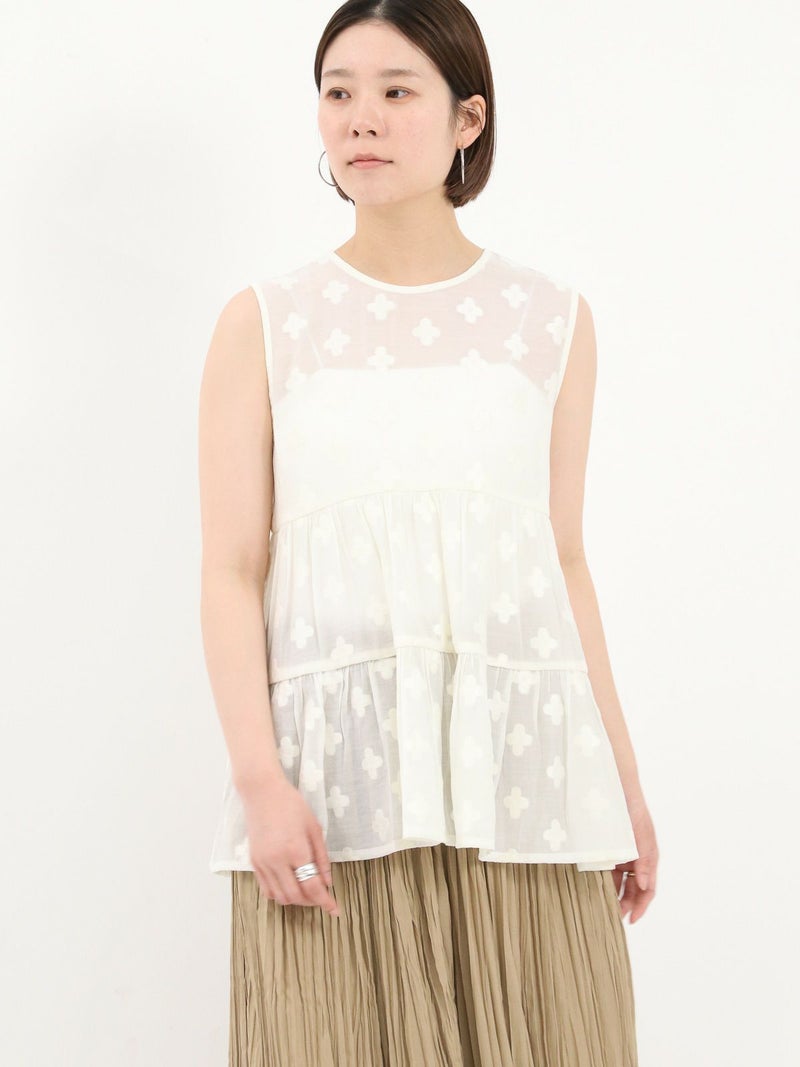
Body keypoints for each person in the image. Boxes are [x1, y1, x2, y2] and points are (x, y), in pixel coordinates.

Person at [198, 1, 659, 1063]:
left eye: (395, 91)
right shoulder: (265, 321)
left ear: (467, 119)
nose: (359, 117)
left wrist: (621, 784)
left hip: (522, 788)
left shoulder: (550, 319)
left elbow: (563, 560)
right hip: (333, 794)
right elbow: (231, 569)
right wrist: (261, 782)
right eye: (338, 92)